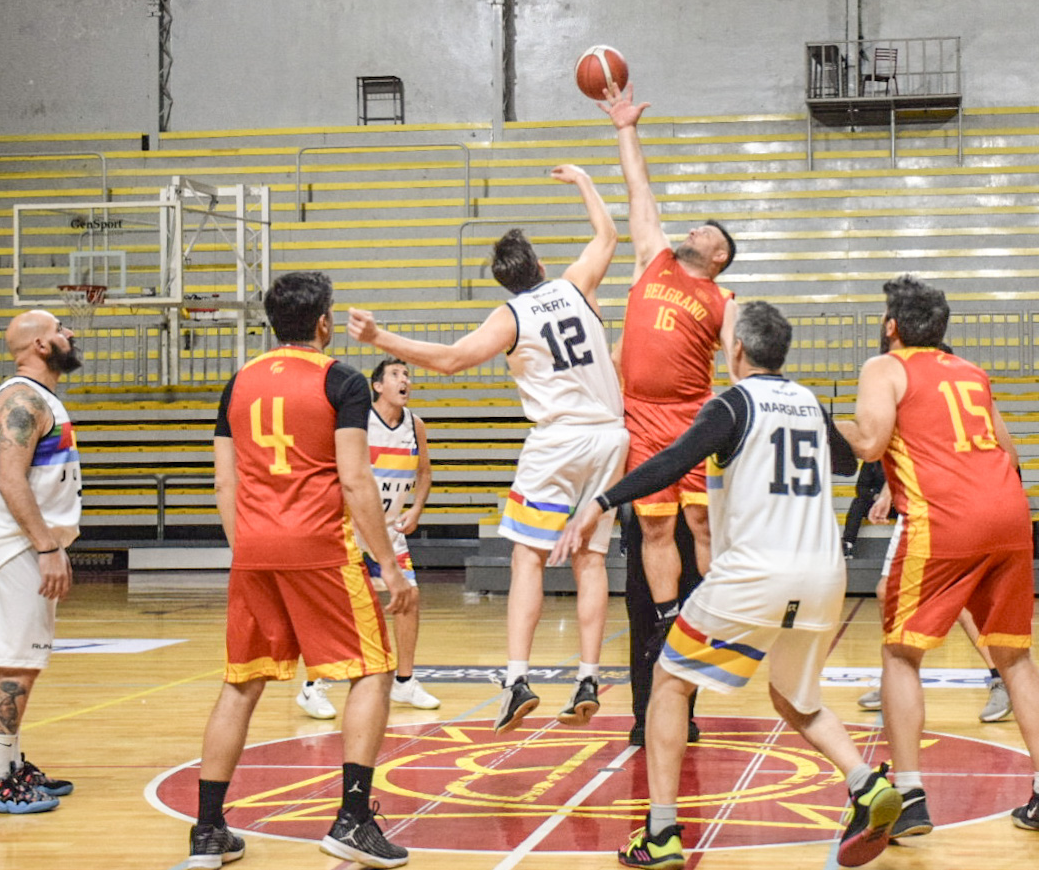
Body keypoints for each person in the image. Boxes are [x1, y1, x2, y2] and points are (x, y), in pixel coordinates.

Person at [553, 301, 902, 870]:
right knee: (795, 698)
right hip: (822, 576)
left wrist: (601, 501)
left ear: (735, 349)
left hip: (755, 571)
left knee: (667, 681)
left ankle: (661, 834)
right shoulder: (811, 403)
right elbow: (847, 462)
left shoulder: (734, 403)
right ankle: (864, 782)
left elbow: (672, 461)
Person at [348, 164, 627, 735]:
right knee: (591, 559)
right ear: (542, 267)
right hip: (610, 436)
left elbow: (450, 360)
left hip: (557, 440)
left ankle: (519, 676)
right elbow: (608, 236)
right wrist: (583, 184)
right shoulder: (576, 284)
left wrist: (380, 338)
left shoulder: (511, 315)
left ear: (506, 282)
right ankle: (588, 677)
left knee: (527, 556)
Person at [187, 271, 416, 869]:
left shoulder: (238, 383)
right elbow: (355, 478)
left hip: (254, 549)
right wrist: (388, 567)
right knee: (373, 670)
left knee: (241, 683)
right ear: (323, 322)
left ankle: (208, 831)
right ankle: (353, 820)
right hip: (320, 548)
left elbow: (224, 480)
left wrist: (250, 547)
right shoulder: (341, 379)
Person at [839, 274, 1039, 839]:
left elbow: (869, 444)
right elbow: (1007, 452)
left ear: (891, 326)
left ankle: (912, 795)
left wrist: (812, 422)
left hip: (946, 520)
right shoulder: (971, 372)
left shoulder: (884, 368)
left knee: (900, 653)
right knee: (1015, 656)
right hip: (1008, 514)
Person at [599, 82, 738, 742]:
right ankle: (664, 615)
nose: (693, 227)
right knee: (655, 535)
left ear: (718, 256)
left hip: (690, 417)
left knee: (700, 529)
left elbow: (744, 367)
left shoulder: (724, 296)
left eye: (705, 231)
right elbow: (638, 193)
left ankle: (710, 615)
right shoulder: (653, 258)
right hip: (640, 417)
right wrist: (625, 128)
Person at [0, 309, 83, 815]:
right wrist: (47, 547)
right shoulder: (23, 399)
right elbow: (10, 481)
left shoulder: (32, 397)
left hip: (19, 543)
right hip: (17, 545)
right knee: (19, 664)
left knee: (20, 659)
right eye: (59, 329)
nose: (69, 334)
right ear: (39, 345)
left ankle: (7, 766)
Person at [298, 358, 441, 718]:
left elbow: (424, 474)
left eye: (407, 374)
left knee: (410, 598)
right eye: (395, 374)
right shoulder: (358, 423)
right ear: (377, 386)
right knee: (347, 610)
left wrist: (417, 510)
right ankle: (313, 686)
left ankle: (404, 682)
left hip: (390, 530)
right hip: (351, 530)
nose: (404, 379)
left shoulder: (415, 426)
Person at [851, 464, 1013, 723]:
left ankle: (1001, 678)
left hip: (948, 510)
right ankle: (895, 680)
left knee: (958, 603)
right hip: (912, 512)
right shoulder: (902, 429)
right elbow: (899, 455)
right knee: (887, 592)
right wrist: (887, 494)